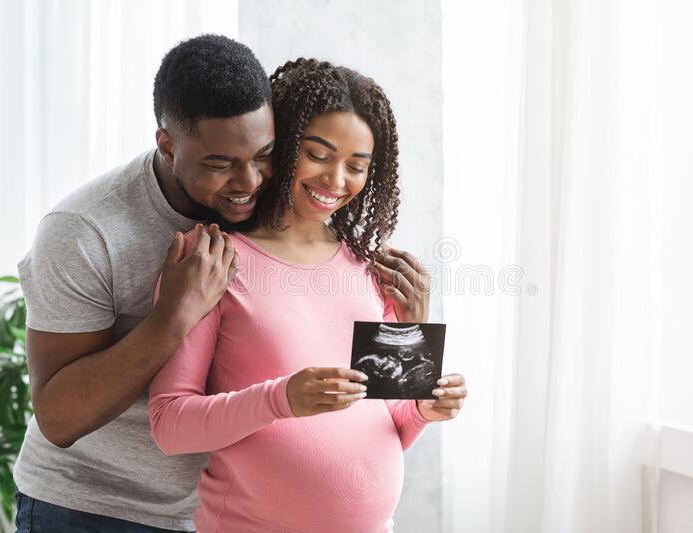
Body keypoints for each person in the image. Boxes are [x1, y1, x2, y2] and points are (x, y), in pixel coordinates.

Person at [14, 36, 429, 532]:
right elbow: (59, 419)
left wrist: (414, 337)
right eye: (220, 163)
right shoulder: (85, 230)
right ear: (167, 144)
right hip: (97, 505)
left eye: (264, 155)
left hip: (209, 506)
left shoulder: (292, 236)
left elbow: (383, 409)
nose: (250, 181)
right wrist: (172, 317)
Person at [148, 58, 468, 533]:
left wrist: (425, 407)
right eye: (319, 155)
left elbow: (393, 429)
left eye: (357, 166)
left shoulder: (372, 268)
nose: (336, 181)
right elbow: (170, 426)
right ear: (282, 144)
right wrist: (281, 398)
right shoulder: (213, 261)